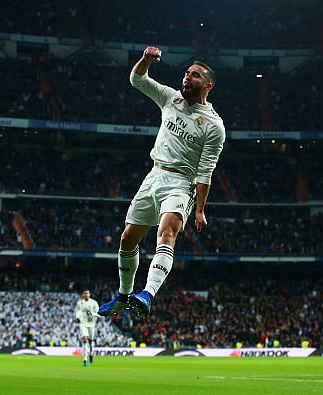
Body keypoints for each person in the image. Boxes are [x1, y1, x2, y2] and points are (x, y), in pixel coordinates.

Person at [99, 46, 225, 317]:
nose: (187, 78)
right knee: (127, 238)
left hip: (181, 183)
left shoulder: (214, 126)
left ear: (207, 85)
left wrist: (200, 209)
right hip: (153, 175)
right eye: (187, 73)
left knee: (166, 232)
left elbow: (206, 171)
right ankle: (123, 295)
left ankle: (147, 293)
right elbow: (137, 80)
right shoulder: (170, 98)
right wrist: (145, 61)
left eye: (194, 75)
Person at [75, 289, 99, 367]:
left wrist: (92, 314)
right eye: (85, 293)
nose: (86, 295)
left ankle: (91, 353)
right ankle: (85, 359)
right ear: (83, 294)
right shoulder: (80, 303)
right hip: (83, 323)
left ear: (89, 294)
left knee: (90, 341)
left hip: (91, 324)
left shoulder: (94, 303)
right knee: (85, 339)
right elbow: (77, 312)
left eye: (87, 293)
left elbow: (98, 313)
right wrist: (78, 317)